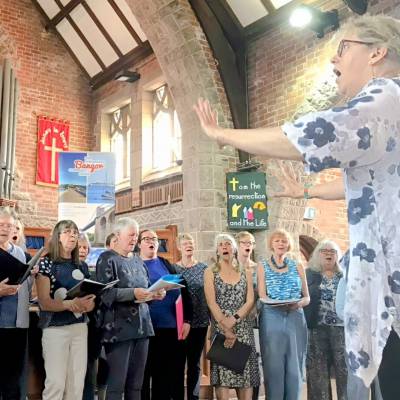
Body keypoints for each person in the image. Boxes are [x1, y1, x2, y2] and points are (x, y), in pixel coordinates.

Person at [194, 14, 400, 396]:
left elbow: (314, 133)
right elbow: (369, 187)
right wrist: (307, 194)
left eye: (342, 49)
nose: (334, 61)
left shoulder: (387, 96)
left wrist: (222, 134)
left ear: (377, 52)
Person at [96, 218, 163, 400]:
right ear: (117, 236)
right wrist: (133, 293)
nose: (135, 238)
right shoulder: (107, 258)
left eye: (136, 235)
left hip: (142, 327)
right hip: (118, 329)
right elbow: (105, 294)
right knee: (117, 385)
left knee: (136, 386)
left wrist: (154, 294)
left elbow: (146, 288)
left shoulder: (138, 261)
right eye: (131, 235)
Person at [36, 220, 95, 400]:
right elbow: (44, 302)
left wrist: (89, 304)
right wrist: (69, 304)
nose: (73, 235)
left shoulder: (82, 266)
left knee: (76, 384)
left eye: (75, 232)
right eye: (68, 231)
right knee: (56, 383)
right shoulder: (46, 263)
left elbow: (91, 300)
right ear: (58, 236)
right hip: (55, 328)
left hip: (79, 327)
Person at [204, 233, 259, 400]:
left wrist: (234, 319)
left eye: (228, 244)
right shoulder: (210, 272)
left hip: (242, 328)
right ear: (217, 250)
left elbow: (249, 300)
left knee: (246, 379)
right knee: (223, 380)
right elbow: (211, 302)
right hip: (221, 328)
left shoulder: (245, 271)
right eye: (221, 245)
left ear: (234, 248)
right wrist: (225, 326)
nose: (225, 247)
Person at [139, 229, 193, 400]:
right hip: (145, 328)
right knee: (143, 375)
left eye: (154, 239)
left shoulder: (165, 264)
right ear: (139, 244)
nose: (151, 242)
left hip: (169, 326)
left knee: (164, 377)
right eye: (147, 239)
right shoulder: (134, 265)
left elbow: (185, 291)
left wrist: (187, 320)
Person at [257, 229, 309, 400]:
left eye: (284, 241)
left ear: (289, 245)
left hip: (295, 314)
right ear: (271, 244)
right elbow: (262, 296)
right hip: (271, 315)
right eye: (277, 240)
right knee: (274, 364)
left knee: (295, 365)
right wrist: (275, 303)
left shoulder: (298, 265)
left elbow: (307, 297)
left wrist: (299, 303)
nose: (281, 243)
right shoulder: (262, 265)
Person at [304, 240, 347, 400]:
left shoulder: (345, 275)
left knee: (345, 372)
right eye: (324, 250)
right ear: (317, 254)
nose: (329, 253)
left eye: (333, 251)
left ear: (337, 256)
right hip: (316, 328)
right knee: (317, 375)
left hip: (341, 329)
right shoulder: (309, 274)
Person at [0, 208, 31, 400]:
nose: (5, 229)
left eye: (9, 225)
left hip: (17, 325)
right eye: (1, 224)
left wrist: (31, 275)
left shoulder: (20, 252)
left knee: (13, 381)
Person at [174, 233, 209, 400]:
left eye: (191, 243)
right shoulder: (173, 269)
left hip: (200, 322)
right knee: (178, 364)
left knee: (194, 364)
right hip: (179, 323)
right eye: (185, 243)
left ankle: (193, 398)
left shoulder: (203, 268)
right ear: (179, 247)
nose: (189, 246)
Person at [235, 231, 261, 400]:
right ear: (237, 245)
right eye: (244, 242)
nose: (248, 245)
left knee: (254, 367)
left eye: (250, 243)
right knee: (235, 365)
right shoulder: (228, 267)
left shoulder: (258, 268)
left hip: (253, 322)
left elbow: (261, 295)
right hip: (233, 323)